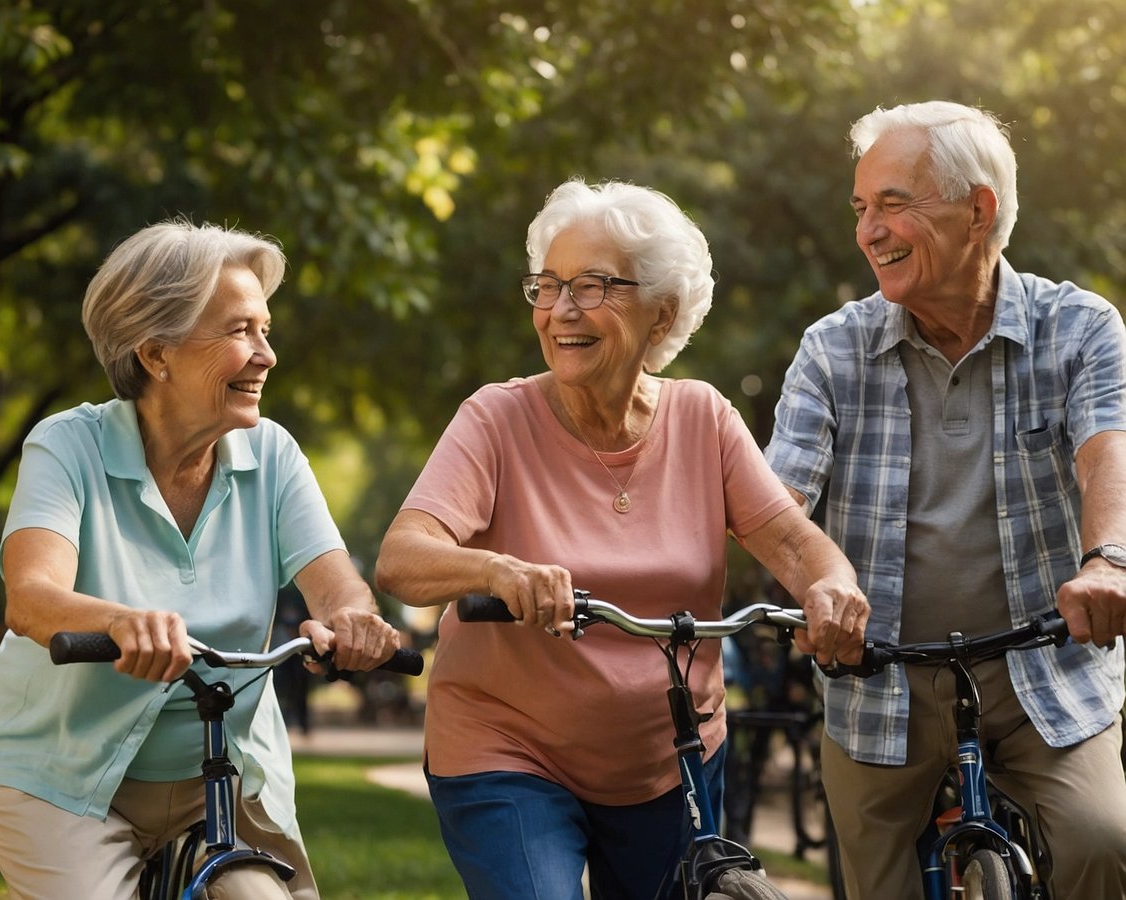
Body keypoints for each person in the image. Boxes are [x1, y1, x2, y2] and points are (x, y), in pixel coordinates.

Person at [373, 177, 869, 900]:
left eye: (593, 286)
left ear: (661, 313)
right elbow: (403, 557)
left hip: (671, 756)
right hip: (508, 746)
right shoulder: (495, 420)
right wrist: (499, 571)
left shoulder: (704, 418)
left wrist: (833, 587)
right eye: (548, 286)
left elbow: (793, 543)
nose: (561, 310)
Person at [0, 220, 401, 900]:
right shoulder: (66, 447)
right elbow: (31, 598)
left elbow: (339, 590)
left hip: (216, 782)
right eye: (240, 331)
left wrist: (351, 625)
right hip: (61, 779)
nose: (267, 355)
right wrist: (121, 622)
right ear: (155, 354)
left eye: (267, 330)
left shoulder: (275, 456)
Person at [764, 100, 1126, 898]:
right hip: (877, 676)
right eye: (862, 209)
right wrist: (816, 584)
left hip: (1043, 671)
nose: (869, 230)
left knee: (1101, 844)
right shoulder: (833, 348)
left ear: (978, 210)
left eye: (893, 203)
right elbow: (775, 501)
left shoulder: (1080, 328)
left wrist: (1108, 563)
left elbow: (1109, 455)